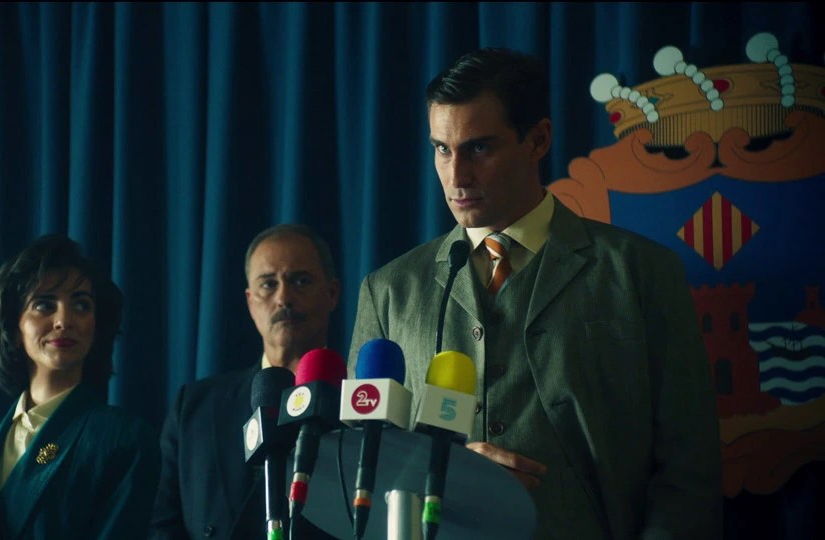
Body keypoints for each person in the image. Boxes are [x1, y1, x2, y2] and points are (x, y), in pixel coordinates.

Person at [348, 47, 722, 539]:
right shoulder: (388, 292)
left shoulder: (641, 272)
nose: (456, 176)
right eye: (442, 149)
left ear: (538, 140)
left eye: (480, 148)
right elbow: (357, 469)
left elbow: (689, 468)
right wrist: (445, 475)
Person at [0, 234, 161, 539]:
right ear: (14, 327)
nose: (64, 320)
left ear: (96, 327)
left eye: (81, 305)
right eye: (44, 305)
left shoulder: (125, 441)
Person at [150, 224, 340, 539]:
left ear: (332, 293)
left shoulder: (358, 404)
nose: (284, 297)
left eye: (301, 281)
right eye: (268, 284)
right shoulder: (195, 407)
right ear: (251, 302)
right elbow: (159, 523)